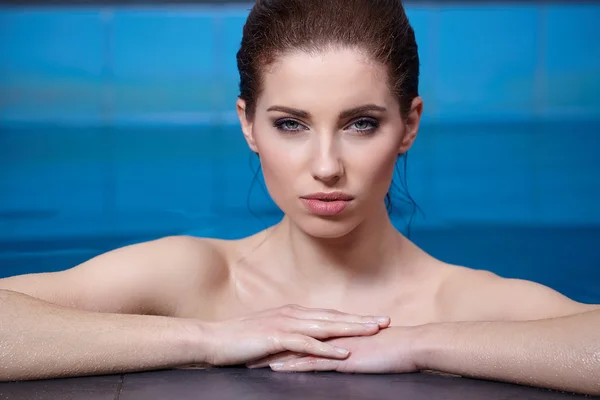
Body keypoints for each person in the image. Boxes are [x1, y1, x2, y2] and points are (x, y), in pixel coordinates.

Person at [1, 0, 598, 395]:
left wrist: (419, 343)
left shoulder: (459, 300)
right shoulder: (192, 278)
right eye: (291, 123)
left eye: (361, 123)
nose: (326, 167)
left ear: (409, 125)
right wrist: (209, 338)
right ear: (248, 125)